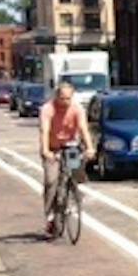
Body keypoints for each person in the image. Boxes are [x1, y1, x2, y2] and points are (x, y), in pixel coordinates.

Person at [38, 82, 94, 238]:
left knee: (76, 171)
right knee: (51, 181)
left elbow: (83, 129)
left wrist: (90, 148)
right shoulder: (48, 109)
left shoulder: (77, 109)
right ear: (57, 96)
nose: (65, 102)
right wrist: (46, 151)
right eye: (62, 98)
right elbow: (45, 130)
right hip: (52, 148)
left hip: (71, 147)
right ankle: (50, 215)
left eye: (68, 98)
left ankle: (73, 191)